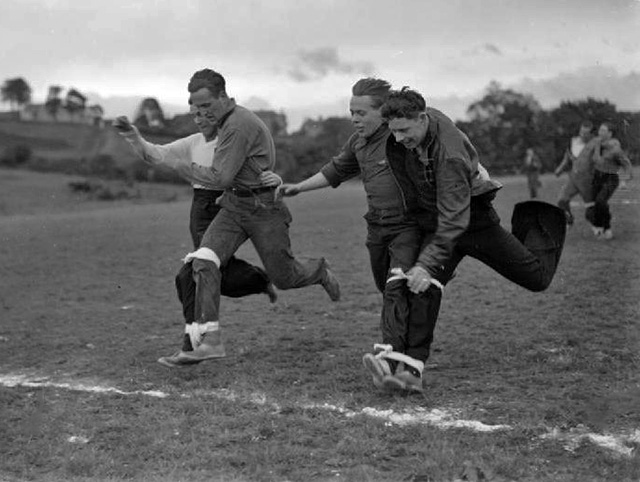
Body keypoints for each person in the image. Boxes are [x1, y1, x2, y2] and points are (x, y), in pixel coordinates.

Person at [362, 87, 567, 392]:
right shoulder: (404, 130)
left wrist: (426, 261)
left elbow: (455, 217)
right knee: (423, 287)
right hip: (440, 221)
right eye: (394, 131)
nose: (399, 138)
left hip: (473, 220)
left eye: (405, 130)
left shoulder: (450, 154)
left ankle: (537, 221)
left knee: (536, 278)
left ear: (422, 118)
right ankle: (410, 371)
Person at [156, 68, 340, 368]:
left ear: (224, 97)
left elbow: (220, 176)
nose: (201, 112)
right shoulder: (226, 121)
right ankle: (210, 341)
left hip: (263, 209)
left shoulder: (237, 125)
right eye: (196, 107)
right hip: (233, 206)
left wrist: (183, 167)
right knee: (202, 261)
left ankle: (318, 270)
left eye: (207, 106)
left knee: (284, 277)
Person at [280, 78, 441, 391]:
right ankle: (403, 357)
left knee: (396, 284)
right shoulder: (358, 142)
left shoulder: (401, 138)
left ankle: (391, 357)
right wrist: (299, 187)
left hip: (407, 227)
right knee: (388, 289)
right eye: (351, 111)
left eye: (361, 112)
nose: (354, 118)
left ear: (383, 112)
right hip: (376, 227)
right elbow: (337, 170)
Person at [114, 110, 278, 331]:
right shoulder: (193, 143)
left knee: (194, 275)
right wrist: (133, 136)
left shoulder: (230, 144)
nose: (200, 120)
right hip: (200, 211)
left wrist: (275, 179)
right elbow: (155, 154)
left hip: (224, 206)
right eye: (197, 116)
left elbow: (257, 171)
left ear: (219, 118)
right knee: (209, 273)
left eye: (207, 115)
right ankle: (259, 283)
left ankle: (195, 336)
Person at [589, 122, 633, 240]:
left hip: (610, 178)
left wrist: (624, 180)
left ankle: (606, 228)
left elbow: (627, 164)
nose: (600, 132)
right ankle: (600, 226)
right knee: (594, 206)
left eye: (603, 131)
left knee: (600, 201)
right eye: (600, 130)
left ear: (610, 134)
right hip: (597, 177)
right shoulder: (596, 143)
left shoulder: (615, 149)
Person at [554, 121, 596, 225]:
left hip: (588, 180)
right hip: (573, 178)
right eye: (581, 132)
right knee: (562, 201)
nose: (582, 135)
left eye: (585, 133)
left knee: (590, 209)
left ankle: (600, 229)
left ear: (591, 134)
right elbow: (567, 157)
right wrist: (560, 169)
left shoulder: (596, 144)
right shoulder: (573, 141)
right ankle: (569, 221)